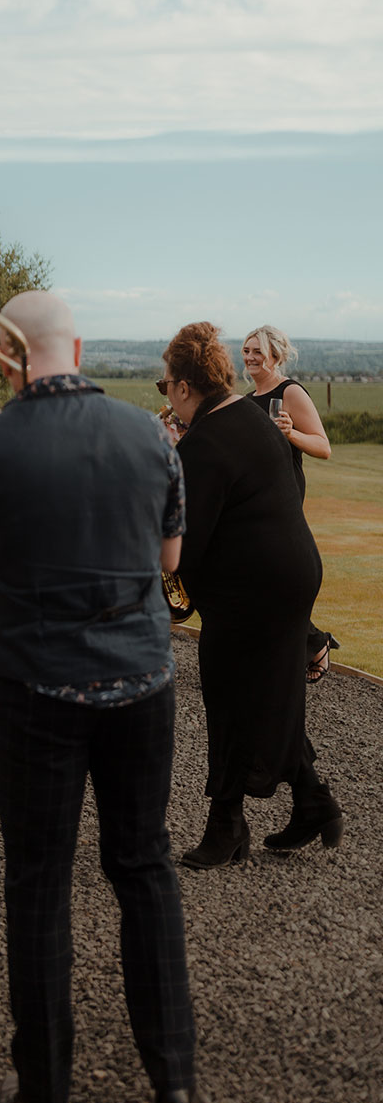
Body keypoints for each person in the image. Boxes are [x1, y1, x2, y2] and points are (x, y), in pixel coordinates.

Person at [0, 291, 208, 1103]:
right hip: (140, 679)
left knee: (39, 886)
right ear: (79, 346)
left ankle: (45, 1098)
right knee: (144, 868)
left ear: (9, 356)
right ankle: (177, 1087)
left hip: (35, 688)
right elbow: (169, 555)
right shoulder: (149, 434)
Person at [164, 322, 342, 868]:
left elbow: (185, 549)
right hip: (288, 578)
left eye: (164, 384)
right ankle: (313, 804)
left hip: (257, 591)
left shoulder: (205, 442)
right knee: (270, 699)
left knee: (230, 697)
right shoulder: (247, 415)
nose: (165, 394)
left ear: (186, 387)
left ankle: (227, 828)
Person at [241, 325, 338, 680]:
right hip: (252, 494)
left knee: (272, 572)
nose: (250, 357)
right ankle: (301, 643)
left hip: (282, 492)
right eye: (246, 351)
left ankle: (313, 643)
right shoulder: (249, 399)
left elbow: (323, 447)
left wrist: (290, 432)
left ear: (276, 356)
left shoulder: (290, 392)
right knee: (257, 573)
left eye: (257, 351)